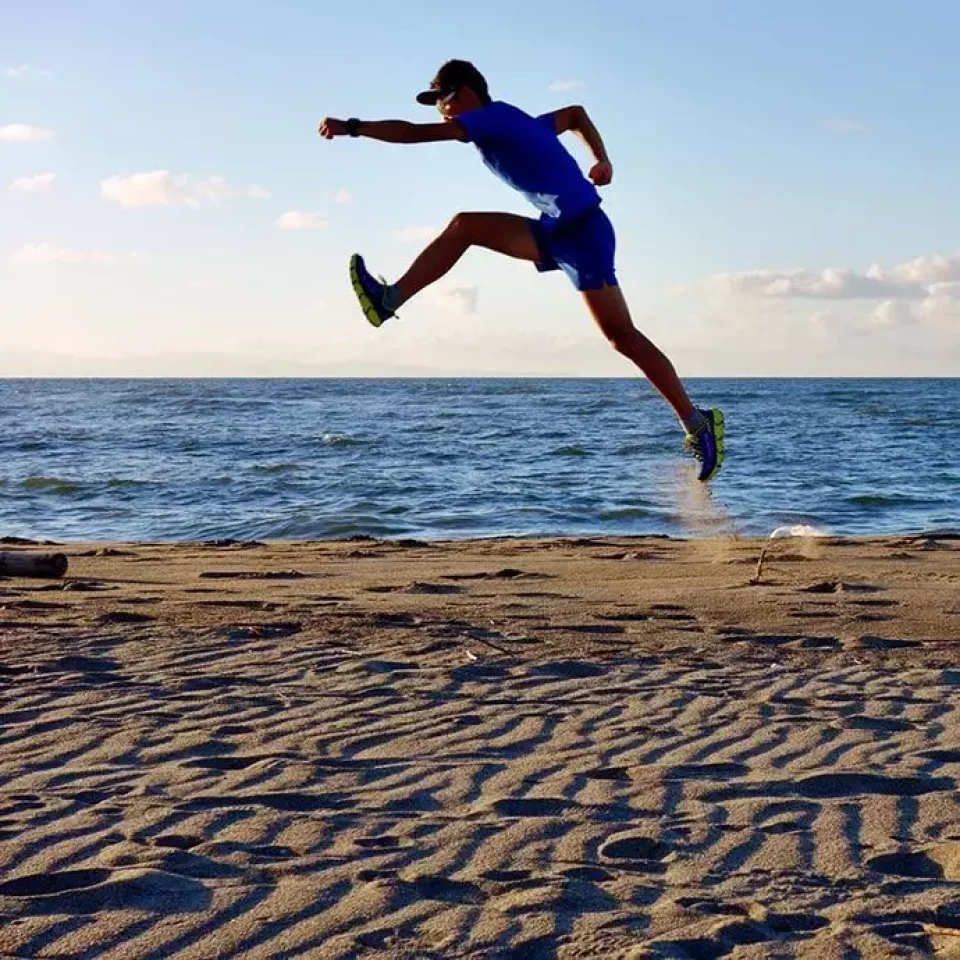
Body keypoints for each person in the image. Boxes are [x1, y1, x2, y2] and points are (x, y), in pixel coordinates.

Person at [318, 60, 724, 480]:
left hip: (583, 232)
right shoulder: (520, 122)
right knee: (465, 227)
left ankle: (698, 424)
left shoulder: (490, 118)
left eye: (442, 100)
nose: (440, 111)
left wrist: (353, 127)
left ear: (464, 93)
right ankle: (388, 300)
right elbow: (574, 115)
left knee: (622, 337)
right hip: (554, 231)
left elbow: (411, 134)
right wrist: (602, 160)